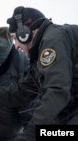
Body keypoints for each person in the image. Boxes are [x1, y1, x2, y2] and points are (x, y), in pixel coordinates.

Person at [6, 6, 78, 140]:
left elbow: (57, 91)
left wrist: (29, 134)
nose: (15, 46)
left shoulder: (52, 40)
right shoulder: (39, 55)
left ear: (25, 33)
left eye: (15, 38)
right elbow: (19, 93)